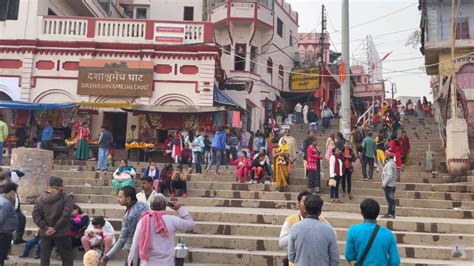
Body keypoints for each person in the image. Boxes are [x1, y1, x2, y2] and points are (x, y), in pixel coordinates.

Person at [128, 194, 195, 266]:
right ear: (164, 206)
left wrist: (133, 263)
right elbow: (190, 224)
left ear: (150, 206)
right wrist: (179, 209)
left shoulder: (143, 221)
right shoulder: (172, 220)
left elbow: (134, 247)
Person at [99, 186, 149, 266]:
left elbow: (122, 240)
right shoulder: (144, 205)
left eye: (120, 197)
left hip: (136, 250)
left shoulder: (130, 216)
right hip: (147, 246)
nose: (118, 199)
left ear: (128, 199)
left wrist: (106, 258)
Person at [279, 191, 331, 266]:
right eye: (304, 202)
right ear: (298, 204)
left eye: (309, 202)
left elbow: (332, 235)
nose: (306, 204)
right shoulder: (290, 220)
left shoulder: (322, 220)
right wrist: (297, 234)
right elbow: (281, 242)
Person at [32, 176, 75, 266]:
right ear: (60, 186)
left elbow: (35, 216)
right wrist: (55, 228)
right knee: (67, 257)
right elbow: (66, 215)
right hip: (62, 233)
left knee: (44, 258)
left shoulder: (40, 198)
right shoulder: (67, 197)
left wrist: (46, 227)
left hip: (45, 233)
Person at [345, 198, 400, 265]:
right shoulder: (388, 234)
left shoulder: (353, 231)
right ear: (377, 213)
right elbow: (395, 261)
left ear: (362, 212)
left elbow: (349, 256)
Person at [288, 195, 339, 266]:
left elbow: (291, 256)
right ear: (320, 211)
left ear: (305, 208)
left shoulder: (295, 228)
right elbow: (335, 259)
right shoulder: (329, 230)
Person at [0, 182, 19, 266]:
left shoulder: (2, 200)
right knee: (1, 256)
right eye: (15, 192)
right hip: (3, 234)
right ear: (11, 192)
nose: (15, 195)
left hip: (3, 233)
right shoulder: (6, 203)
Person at [382, 150, 397, 219]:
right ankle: (390, 213)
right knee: (390, 200)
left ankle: (391, 214)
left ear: (388, 156)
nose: (385, 155)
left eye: (386, 154)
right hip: (390, 185)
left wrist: (384, 183)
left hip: (389, 185)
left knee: (391, 200)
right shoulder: (390, 163)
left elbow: (389, 175)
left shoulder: (390, 164)